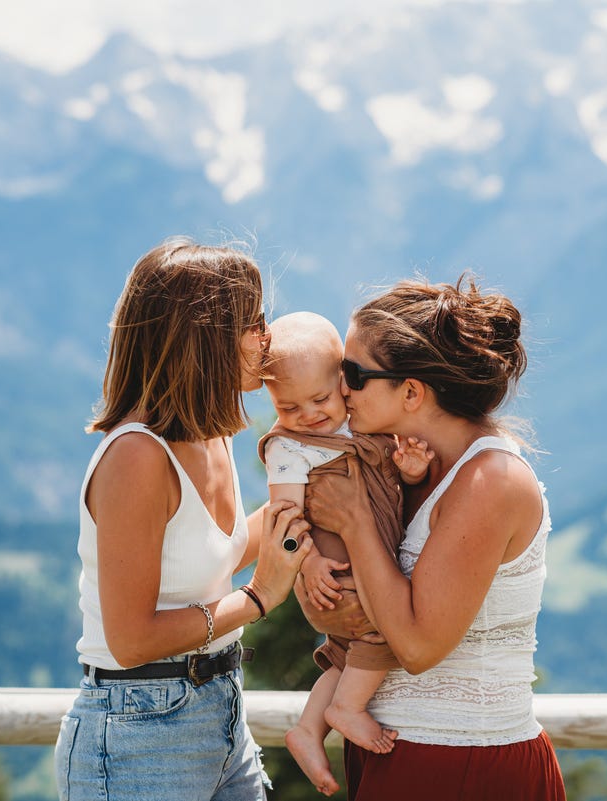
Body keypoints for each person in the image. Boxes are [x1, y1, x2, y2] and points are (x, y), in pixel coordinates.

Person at [54, 238, 314, 801]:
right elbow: (130, 639)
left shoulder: (209, 435)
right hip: (137, 734)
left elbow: (220, 547)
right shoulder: (137, 457)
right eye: (255, 321)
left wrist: (328, 483)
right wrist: (261, 596)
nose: (267, 338)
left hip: (221, 712)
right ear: (210, 338)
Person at [300, 274, 567, 800]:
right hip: (401, 754)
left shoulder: (491, 482)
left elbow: (420, 647)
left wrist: (354, 523)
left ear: (412, 391)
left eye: (352, 373)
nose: (340, 389)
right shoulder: (406, 465)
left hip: (467, 765)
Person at [255, 312, 433, 796]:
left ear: (343, 382)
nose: (308, 415)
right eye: (288, 407)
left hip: (360, 568)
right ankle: (346, 710)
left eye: (319, 399)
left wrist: (413, 472)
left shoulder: (363, 425)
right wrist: (307, 562)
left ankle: (308, 729)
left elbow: (395, 489)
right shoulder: (290, 448)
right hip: (330, 574)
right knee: (388, 629)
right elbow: (284, 517)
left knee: (344, 656)